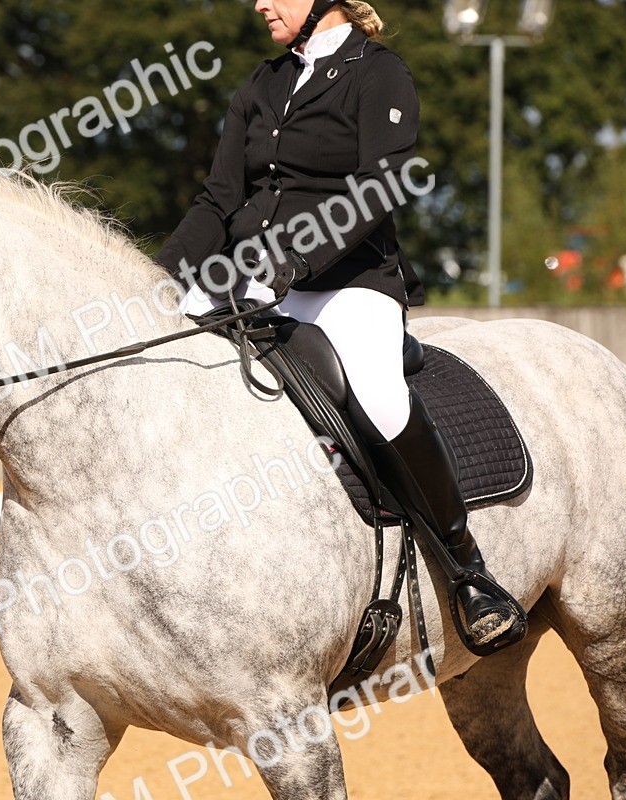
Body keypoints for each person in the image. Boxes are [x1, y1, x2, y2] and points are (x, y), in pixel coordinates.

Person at [156, 0, 524, 649]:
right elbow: (218, 199)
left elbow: (379, 186)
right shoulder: (262, 82)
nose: (259, 4)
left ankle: (467, 569)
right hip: (250, 282)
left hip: (347, 283)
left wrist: (296, 259)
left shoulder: (379, 73)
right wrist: (157, 280)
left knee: (378, 396)